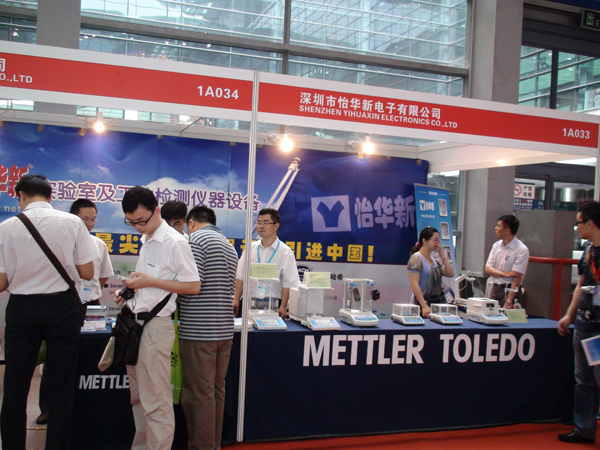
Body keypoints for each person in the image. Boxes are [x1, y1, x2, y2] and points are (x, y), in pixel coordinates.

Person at [0, 174, 97, 450]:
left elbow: (2, 283)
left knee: (15, 384)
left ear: (20, 195)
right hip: (62, 307)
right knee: (61, 384)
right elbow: (87, 272)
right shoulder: (73, 223)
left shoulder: (6, 227)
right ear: (50, 196)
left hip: (22, 308)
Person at [114, 186, 200, 450]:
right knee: (139, 398)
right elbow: (150, 284)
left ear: (157, 210)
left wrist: (149, 281)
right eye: (132, 222)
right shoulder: (147, 238)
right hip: (136, 325)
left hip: (155, 328)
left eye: (142, 220)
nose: (138, 227)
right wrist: (129, 291)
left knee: (156, 402)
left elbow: (193, 286)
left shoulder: (175, 242)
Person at [36, 198, 115, 426]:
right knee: (56, 356)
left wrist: (91, 291)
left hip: (92, 305)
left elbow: (104, 274)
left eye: (93, 219)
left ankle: (87, 403)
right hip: (64, 303)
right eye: (84, 219)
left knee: (92, 352)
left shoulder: (98, 244)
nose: (89, 223)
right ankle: (48, 408)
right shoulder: (60, 243)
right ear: (73, 218)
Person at [179, 206, 238, 450]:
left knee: (199, 394)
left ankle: (202, 446)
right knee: (216, 390)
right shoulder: (228, 245)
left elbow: (192, 285)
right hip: (224, 330)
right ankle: (213, 444)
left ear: (191, 222)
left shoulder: (195, 241)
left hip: (199, 331)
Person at [557, 201, 600, 444]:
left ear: (591, 223)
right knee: (583, 380)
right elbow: (582, 285)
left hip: (599, 329)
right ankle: (584, 428)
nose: (577, 227)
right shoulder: (588, 252)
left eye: (579, 223)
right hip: (584, 324)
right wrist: (569, 315)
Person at [233, 208, 299, 319]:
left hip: (273, 304)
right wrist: (236, 299)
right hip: (249, 301)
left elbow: (288, 283)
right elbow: (241, 277)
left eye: (265, 222)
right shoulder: (250, 248)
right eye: (259, 222)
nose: (261, 226)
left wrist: (283, 307)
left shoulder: (285, 252)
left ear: (276, 226)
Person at [407, 226, 455, 318]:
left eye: (438, 240)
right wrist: (424, 305)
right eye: (435, 240)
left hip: (438, 303)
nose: (437, 243)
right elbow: (414, 284)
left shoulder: (434, 260)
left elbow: (450, 273)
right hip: (424, 303)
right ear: (425, 241)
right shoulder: (416, 258)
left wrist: (442, 255)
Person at [485, 214, 529, 308]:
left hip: (510, 291)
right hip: (495, 289)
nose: (496, 228)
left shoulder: (521, 250)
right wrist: (506, 274)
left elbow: (517, 278)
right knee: (491, 315)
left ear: (507, 230)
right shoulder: (496, 245)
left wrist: (509, 300)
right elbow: (488, 269)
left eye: (498, 226)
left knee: (508, 316)